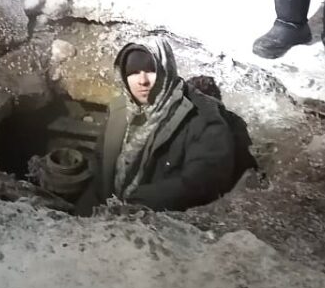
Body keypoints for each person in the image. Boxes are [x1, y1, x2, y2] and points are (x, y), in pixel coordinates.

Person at [76, 37, 254, 213]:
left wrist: (136, 205)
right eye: (133, 72)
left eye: (151, 70)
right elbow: (100, 164)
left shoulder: (202, 118)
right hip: (106, 211)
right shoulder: (120, 110)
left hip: (155, 219)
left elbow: (202, 181)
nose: (142, 80)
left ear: (166, 70)